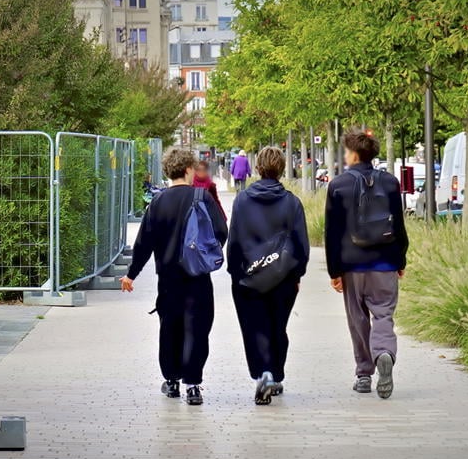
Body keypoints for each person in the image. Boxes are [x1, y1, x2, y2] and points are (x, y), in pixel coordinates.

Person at [121, 148, 228, 405]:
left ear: (168, 172)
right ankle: (193, 385)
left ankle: (171, 381)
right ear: (189, 169)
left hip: (168, 278)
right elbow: (221, 231)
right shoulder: (202, 197)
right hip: (197, 276)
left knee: (169, 328)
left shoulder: (158, 202)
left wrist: (131, 274)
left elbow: (143, 243)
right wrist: (205, 254)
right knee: (197, 329)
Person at [324, 130, 408, 399]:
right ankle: (383, 352)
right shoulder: (391, 183)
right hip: (384, 262)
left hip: (352, 264)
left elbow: (332, 233)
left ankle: (363, 374)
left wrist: (334, 270)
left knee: (357, 319)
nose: (345, 156)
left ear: (354, 154)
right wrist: (400, 259)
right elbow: (399, 224)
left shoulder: (338, 185)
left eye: (347, 152)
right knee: (383, 313)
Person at [228, 146, 310, 405]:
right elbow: (301, 244)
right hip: (282, 277)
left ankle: (263, 373)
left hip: (249, 278)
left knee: (255, 328)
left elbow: (235, 241)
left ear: (259, 167)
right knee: (278, 327)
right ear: (282, 168)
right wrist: (297, 274)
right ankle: (274, 374)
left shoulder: (242, 200)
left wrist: (235, 273)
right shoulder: (292, 202)